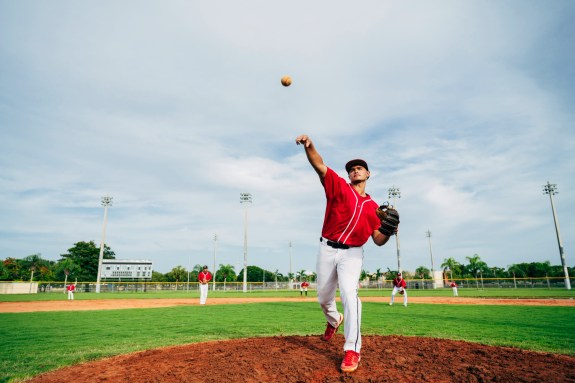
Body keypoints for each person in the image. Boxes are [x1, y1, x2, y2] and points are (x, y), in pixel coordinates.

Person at [295, 134, 399, 373]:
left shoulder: (375, 208)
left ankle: (352, 349)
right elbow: (319, 166)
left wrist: (390, 231)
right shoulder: (339, 186)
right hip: (327, 247)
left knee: (350, 295)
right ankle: (334, 320)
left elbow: (378, 240)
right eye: (352, 169)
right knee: (323, 298)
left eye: (359, 168)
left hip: (353, 253)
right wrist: (310, 147)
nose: (355, 171)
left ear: (368, 174)